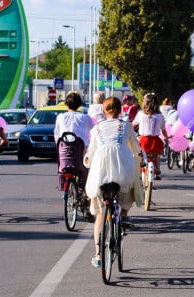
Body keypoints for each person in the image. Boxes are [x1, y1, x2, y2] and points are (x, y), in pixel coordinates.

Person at [84, 97, 141, 267]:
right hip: (122, 168)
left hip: (100, 171)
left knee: (100, 214)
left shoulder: (97, 129)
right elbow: (136, 148)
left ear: (104, 111)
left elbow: (91, 152)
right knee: (127, 191)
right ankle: (123, 215)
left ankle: (97, 254)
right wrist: (140, 157)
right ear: (120, 110)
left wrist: (87, 161)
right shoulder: (125, 126)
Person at [55, 92, 94, 195]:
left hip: (64, 151)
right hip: (81, 151)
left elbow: (57, 134)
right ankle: (87, 194)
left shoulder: (61, 117)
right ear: (79, 104)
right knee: (88, 169)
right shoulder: (85, 118)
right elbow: (94, 131)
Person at [133, 93, 169, 179]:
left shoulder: (141, 114)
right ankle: (158, 170)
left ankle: (140, 171)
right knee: (156, 155)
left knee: (138, 155)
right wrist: (167, 137)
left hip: (144, 141)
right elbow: (163, 129)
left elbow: (133, 125)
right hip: (156, 142)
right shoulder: (160, 116)